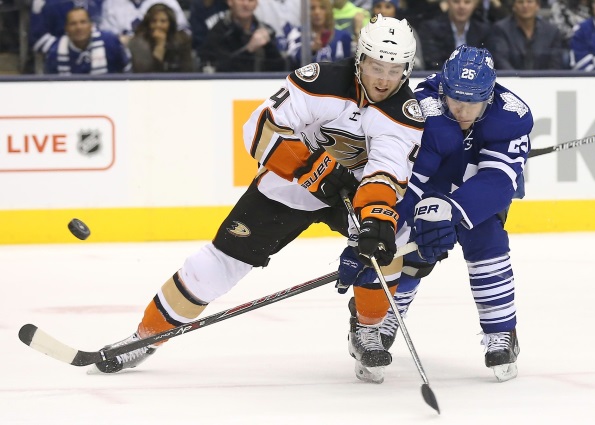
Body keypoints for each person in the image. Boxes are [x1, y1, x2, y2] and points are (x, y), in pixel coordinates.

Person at [89, 16, 424, 387]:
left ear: (407, 69)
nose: (383, 79)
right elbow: (261, 127)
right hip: (289, 186)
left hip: (351, 193)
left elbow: (385, 172)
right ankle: (145, 336)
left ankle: (368, 330)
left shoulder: (404, 112)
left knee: (388, 246)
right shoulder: (320, 81)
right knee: (219, 261)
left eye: (394, 70)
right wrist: (314, 170)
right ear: (360, 58)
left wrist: (376, 221)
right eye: (376, 66)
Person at [338, 45, 533, 382]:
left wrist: (453, 211)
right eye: (455, 99)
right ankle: (375, 323)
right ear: (443, 88)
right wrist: (376, 229)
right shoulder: (420, 104)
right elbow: (408, 180)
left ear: (491, 94)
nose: (462, 110)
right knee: (404, 249)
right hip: (426, 191)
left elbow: (499, 180)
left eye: (473, 103)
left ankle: (502, 333)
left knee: (488, 243)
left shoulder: (510, 116)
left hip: (473, 201)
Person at [197, 0, 287, 72]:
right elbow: (217, 68)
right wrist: (249, 50)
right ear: (230, 2)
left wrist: (269, 47)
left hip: (261, 88)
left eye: (251, 0)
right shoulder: (218, 32)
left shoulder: (266, 30)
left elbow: (281, 68)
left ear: (256, 4)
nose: (246, 4)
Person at [44, 7, 131, 74]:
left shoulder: (110, 43)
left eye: (83, 22)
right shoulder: (55, 51)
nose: (79, 27)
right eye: (73, 23)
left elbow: (126, 71)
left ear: (91, 25)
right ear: (66, 29)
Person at [488, 0, 565, 69]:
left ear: (537, 6)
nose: (525, 6)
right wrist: (518, 80)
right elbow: (500, 60)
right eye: (520, 2)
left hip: (545, 82)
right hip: (511, 81)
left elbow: (555, 64)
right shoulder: (501, 29)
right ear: (514, 7)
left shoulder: (551, 31)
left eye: (529, 2)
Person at [417, 0, 490, 70]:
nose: (461, 6)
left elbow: (488, 62)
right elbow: (432, 63)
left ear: (475, 5)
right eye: (456, 1)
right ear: (448, 3)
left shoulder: (484, 31)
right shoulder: (430, 29)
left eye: (467, 2)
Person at [284, 0, 352, 69]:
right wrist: (312, 49)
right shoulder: (297, 33)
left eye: (322, 8)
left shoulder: (343, 36)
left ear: (329, 11)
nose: (317, 12)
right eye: (312, 8)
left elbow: (348, 67)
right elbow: (293, 58)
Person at [128, 3, 194, 72]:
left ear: (170, 23)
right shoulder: (138, 42)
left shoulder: (182, 40)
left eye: (163, 21)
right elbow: (145, 73)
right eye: (154, 21)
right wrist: (159, 46)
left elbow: (187, 69)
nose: (158, 25)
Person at [100, 0, 189, 46]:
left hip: (165, 55)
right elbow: (105, 39)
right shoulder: (111, 3)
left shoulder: (168, 1)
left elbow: (186, 34)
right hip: (123, 59)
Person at [30, 0, 104, 56]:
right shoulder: (45, 2)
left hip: (102, 54)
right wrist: (63, 48)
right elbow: (38, 40)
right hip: (61, 57)